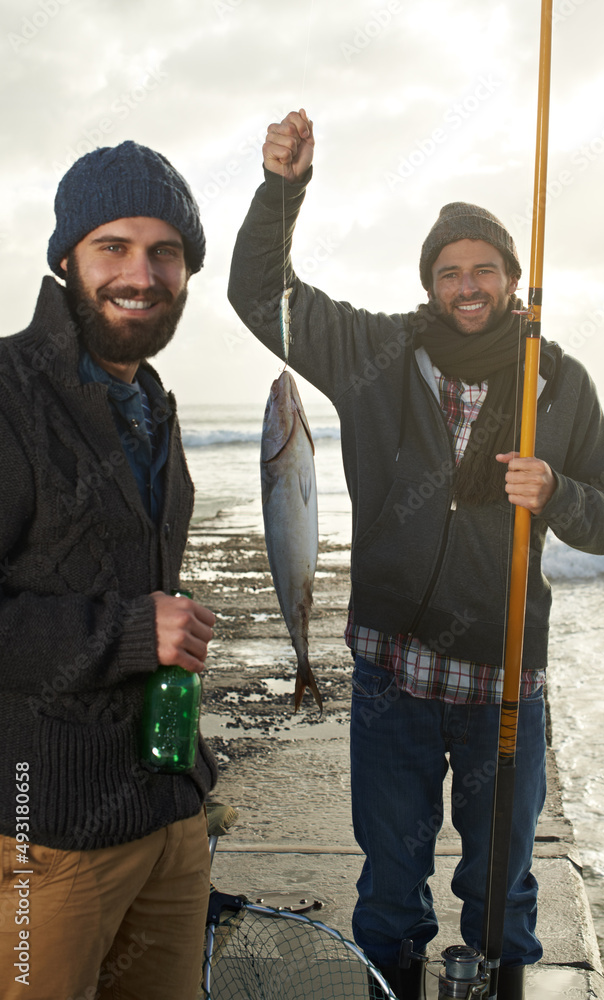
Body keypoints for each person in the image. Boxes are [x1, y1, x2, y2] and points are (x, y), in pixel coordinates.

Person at [227, 109, 604, 1000]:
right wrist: (280, 189)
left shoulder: (556, 381)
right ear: (429, 284)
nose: (466, 284)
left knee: (501, 901)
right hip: (391, 679)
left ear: (512, 279)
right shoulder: (377, 350)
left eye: (483, 268)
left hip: (503, 686)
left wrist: (557, 493)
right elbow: (261, 295)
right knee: (386, 896)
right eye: (448, 271)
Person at [0, 141, 218, 1000]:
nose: (143, 272)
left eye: (166, 251)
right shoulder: (9, 393)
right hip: (41, 828)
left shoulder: (146, 397)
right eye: (114, 247)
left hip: (168, 814)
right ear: (66, 260)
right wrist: (130, 631)